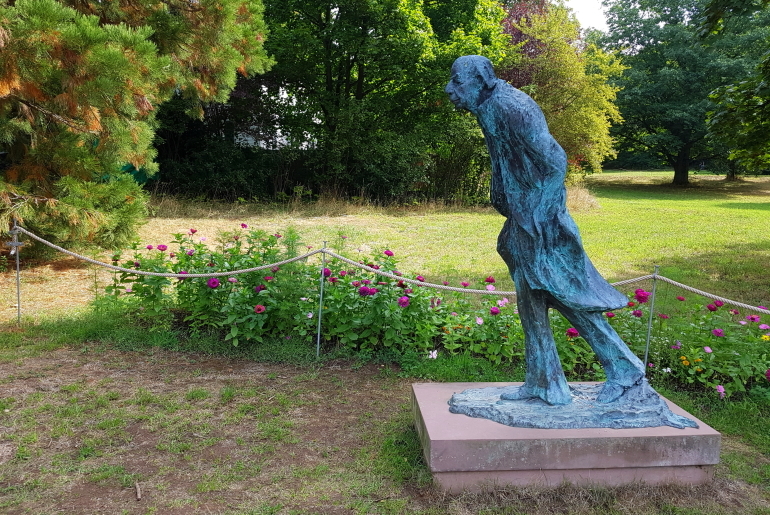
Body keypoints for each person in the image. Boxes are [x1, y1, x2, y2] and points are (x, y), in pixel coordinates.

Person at [445, 55, 645, 405]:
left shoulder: (511, 106)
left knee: (561, 291)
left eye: (457, 81)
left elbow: (555, 160)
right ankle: (545, 383)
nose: (450, 89)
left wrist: (538, 216)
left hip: (539, 221)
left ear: (481, 80)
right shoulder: (487, 105)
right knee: (532, 297)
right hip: (522, 217)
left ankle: (625, 370)